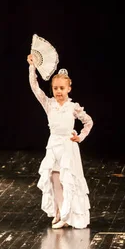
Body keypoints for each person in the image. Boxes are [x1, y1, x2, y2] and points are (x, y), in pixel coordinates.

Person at [27, 55, 93, 229]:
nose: (58, 91)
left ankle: (67, 214)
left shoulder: (73, 107)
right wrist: (32, 67)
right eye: (55, 88)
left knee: (67, 180)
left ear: (68, 89)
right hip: (53, 146)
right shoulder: (49, 104)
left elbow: (88, 121)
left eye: (62, 88)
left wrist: (80, 137)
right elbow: (35, 88)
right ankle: (59, 212)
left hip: (67, 147)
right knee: (54, 179)